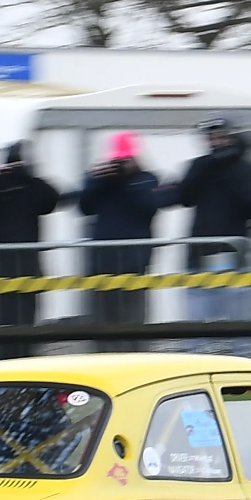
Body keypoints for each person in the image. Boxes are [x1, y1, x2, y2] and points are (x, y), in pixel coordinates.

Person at [79, 131, 167, 345]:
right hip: (101, 261)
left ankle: (135, 355)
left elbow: (148, 206)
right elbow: (84, 207)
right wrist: (100, 179)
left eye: (125, 160)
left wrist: (128, 181)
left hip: (133, 261)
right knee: (101, 319)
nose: (120, 164)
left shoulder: (146, 178)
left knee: (132, 318)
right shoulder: (100, 179)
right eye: (117, 160)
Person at [178, 119, 251, 350]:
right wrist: (207, 167)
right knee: (198, 324)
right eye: (211, 137)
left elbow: (250, 206)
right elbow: (184, 198)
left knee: (239, 322)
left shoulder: (243, 167)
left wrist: (228, 169)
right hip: (200, 252)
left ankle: (243, 368)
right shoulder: (200, 165)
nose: (216, 142)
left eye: (220, 136)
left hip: (233, 252)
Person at [0, 141, 58, 353]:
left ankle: (25, 356)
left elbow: (53, 199)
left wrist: (27, 177)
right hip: (0, 268)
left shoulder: (32, 187)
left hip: (26, 266)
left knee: (25, 322)